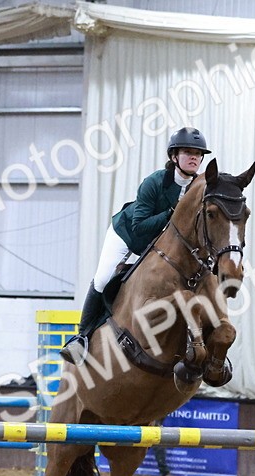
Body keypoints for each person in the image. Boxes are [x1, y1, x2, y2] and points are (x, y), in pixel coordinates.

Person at [60, 126, 211, 364]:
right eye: (188, 152)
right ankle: (81, 338)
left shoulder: (198, 188)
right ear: (174, 156)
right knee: (102, 278)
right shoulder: (154, 182)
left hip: (158, 245)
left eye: (198, 153)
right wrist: (172, 213)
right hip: (128, 236)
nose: (194, 157)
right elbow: (139, 225)